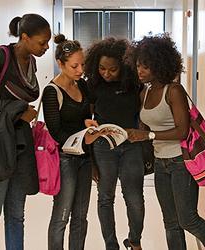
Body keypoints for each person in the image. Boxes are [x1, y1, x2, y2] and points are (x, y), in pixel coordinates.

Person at [126, 34, 205, 250]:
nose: (140, 70)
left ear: (159, 64)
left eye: (146, 66)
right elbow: (146, 124)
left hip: (181, 162)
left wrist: (148, 135)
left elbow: (182, 131)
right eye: (138, 65)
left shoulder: (173, 91)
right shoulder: (144, 93)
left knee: (188, 219)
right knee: (170, 222)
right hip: (160, 163)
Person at [0, 14, 51, 250]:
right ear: (24, 37)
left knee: (16, 216)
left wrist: (22, 115)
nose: (45, 47)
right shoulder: (0, 58)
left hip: (20, 146)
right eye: (41, 42)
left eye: (47, 43)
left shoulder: (31, 61)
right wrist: (18, 113)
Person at [42, 34, 106, 250]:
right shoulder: (52, 92)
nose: (80, 70)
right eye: (74, 66)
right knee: (62, 216)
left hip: (85, 159)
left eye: (83, 64)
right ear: (60, 64)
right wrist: (81, 136)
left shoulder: (83, 85)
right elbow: (56, 132)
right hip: (65, 160)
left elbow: (89, 113)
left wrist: (90, 123)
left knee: (81, 216)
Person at [84, 37, 145, 250]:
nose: (106, 74)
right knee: (105, 198)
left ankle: (135, 241)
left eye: (113, 69)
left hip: (131, 146)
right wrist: (92, 161)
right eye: (102, 68)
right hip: (102, 147)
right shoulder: (93, 85)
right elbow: (88, 122)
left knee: (135, 199)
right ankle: (111, 245)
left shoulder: (134, 84)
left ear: (124, 67)